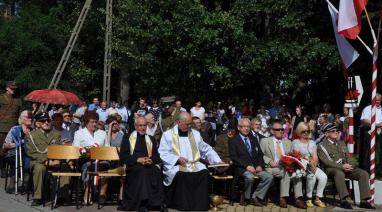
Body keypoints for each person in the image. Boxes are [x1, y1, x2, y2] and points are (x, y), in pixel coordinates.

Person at [158, 112, 223, 211]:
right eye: (187, 124)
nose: (189, 126)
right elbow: (163, 153)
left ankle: (200, 205)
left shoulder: (195, 134)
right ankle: (182, 205)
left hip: (194, 164)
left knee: (204, 173)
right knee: (182, 175)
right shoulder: (168, 135)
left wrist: (217, 160)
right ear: (179, 122)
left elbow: (206, 149)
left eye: (190, 124)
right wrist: (177, 159)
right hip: (176, 165)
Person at [317, 123, 375, 210]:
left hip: (346, 168)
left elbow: (348, 157)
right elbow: (326, 162)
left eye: (337, 131)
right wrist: (342, 166)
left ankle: (364, 201)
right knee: (339, 173)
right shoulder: (321, 146)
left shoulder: (341, 143)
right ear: (326, 134)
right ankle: (344, 200)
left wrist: (350, 165)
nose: (336, 132)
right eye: (333, 131)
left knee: (363, 173)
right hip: (331, 169)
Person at [118, 116, 164, 211]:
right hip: (133, 165)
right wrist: (137, 159)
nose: (142, 128)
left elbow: (157, 156)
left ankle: (156, 203)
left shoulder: (151, 139)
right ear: (135, 126)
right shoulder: (128, 137)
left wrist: (151, 159)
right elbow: (123, 156)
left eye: (144, 125)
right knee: (142, 171)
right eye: (140, 125)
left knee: (157, 171)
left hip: (148, 165)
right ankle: (143, 203)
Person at [260, 120, 306, 209]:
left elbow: (292, 156)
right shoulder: (265, 141)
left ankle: (298, 198)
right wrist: (269, 161)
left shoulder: (288, 142)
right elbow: (260, 155)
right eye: (278, 129)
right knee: (287, 172)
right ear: (272, 131)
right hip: (272, 166)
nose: (281, 131)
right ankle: (283, 197)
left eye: (282, 129)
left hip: (285, 166)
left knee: (297, 172)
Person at [25, 112, 67, 206]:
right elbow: (31, 153)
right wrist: (47, 161)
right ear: (37, 123)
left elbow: (60, 149)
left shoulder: (56, 134)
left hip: (55, 160)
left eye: (48, 120)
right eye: (43, 121)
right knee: (39, 168)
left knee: (65, 167)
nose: (46, 122)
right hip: (39, 161)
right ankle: (37, 197)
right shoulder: (31, 136)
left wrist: (58, 160)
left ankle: (61, 196)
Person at [229, 118, 273, 206]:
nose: (246, 129)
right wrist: (246, 166)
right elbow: (234, 157)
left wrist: (260, 165)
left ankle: (256, 196)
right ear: (239, 127)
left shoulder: (253, 139)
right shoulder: (233, 140)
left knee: (269, 177)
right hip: (242, 168)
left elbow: (260, 154)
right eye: (244, 126)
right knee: (249, 177)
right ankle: (246, 197)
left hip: (256, 168)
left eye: (248, 127)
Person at [72, 111, 108, 204]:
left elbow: (108, 149)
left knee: (105, 167)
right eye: (92, 122)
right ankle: (88, 191)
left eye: (96, 122)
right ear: (86, 122)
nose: (95, 124)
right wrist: (87, 152)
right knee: (89, 166)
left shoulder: (103, 133)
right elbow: (76, 150)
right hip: (85, 160)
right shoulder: (79, 133)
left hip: (101, 160)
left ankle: (102, 193)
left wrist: (99, 152)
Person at [292, 122, 327, 208]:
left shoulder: (312, 142)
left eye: (308, 131)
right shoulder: (295, 142)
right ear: (299, 132)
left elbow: (315, 156)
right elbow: (298, 155)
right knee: (312, 176)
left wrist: (314, 164)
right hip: (301, 166)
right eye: (303, 131)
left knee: (323, 177)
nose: (306, 133)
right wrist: (309, 161)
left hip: (312, 164)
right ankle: (309, 198)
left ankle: (318, 198)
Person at [2, 110, 32, 193]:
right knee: (18, 158)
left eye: (31, 117)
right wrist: (15, 145)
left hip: (27, 155)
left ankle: (27, 182)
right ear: (21, 119)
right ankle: (12, 183)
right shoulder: (15, 129)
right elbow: (5, 145)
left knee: (29, 159)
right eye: (27, 117)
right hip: (13, 154)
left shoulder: (33, 131)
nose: (30, 118)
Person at [0, 81, 22, 177]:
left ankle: (12, 169)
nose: (13, 89)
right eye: (11, 88)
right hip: (2, 127)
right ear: (7, 88)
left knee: (12, 148)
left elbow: (20, 115)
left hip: (13, 128)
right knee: (2, 148)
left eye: (14, 88)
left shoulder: (18, 100)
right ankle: (2, 168)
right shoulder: (1, 98)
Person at [359, 93, 382, 175]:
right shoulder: (368, 108)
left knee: (379, 152)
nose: (378, 102)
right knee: (367, 151)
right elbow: (364, 120)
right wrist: (375, 124)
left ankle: (378, 170)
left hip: (380, 131)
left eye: (379, 100)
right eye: (376, 100)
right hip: (368, 131)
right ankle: (366, 170)